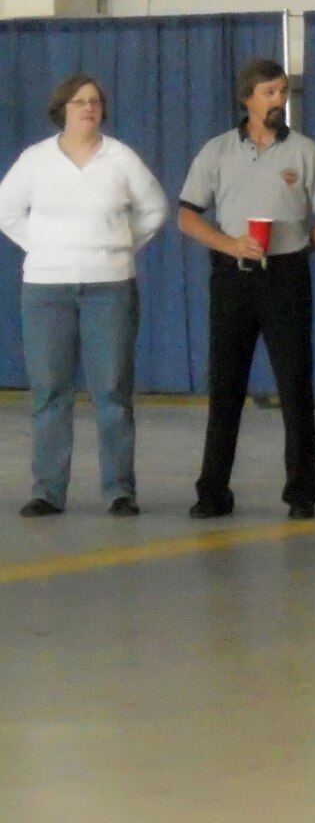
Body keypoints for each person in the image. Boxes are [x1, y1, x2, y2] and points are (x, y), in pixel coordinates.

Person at [178, 59, 315, 520]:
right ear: (247, 98)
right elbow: (187, 215)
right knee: (225, 386)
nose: (278, 100)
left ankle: (302, 493)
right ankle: (212, 491)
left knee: (294, 385)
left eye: (283, 91)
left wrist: (306, 243)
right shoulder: (217, 151)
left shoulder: (307, 153)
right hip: (233, 275)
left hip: (286, 276)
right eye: (269, 92)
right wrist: (229, 242)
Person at [0, 74, 170, 517]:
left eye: (94, 102)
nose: (88, 108)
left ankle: (119, 490)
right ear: (63, 110)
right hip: (45, 289)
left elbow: (155, 210)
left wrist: (118, 245)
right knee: (50, 391)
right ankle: (48, 490)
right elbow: (6, 210)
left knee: (112, 391)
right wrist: (41, 246)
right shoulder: (35, 160)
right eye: (79, 102)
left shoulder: (121, 158)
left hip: (109, 287)